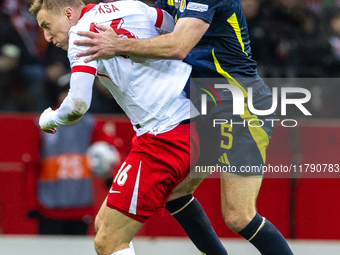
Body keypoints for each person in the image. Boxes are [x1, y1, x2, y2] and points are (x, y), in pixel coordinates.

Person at [74, 0, 294, 254]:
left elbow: (178, 46)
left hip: (242, 106)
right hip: (205, 107)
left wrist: (117, 44)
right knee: (174, 193)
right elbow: (147, 29)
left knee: (238, 216)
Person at [29, 1, 226, 255]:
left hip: (167, 131)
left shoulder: (81, 33)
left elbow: (77, 104)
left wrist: (48, 119)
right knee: (104, 224)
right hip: (201, 117)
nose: (46, 36)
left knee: (107, 242)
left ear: (69, 14)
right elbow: (175, 26)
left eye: (47, 25)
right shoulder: (130, 6)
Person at [25, 73, 121, 235]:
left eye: (74, 93)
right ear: (58, 95)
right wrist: (31, 203)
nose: (69, 97)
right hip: (49, 208)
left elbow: (110, 151)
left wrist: (110, 174)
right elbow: (30, 167)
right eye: (66, 92)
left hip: (81, 208)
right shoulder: (42, 125)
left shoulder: (90, 124)